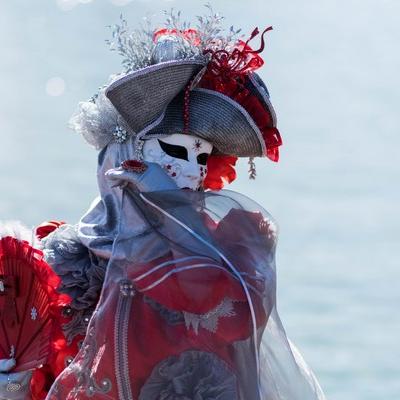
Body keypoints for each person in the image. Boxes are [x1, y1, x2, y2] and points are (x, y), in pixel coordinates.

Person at [0, 9, 326, 400]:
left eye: (202, 158)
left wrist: (174, 226)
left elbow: (228, 313)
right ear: (121, 154)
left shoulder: (231, 250)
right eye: (173, 150)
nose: (190, 171)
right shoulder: (60, 264)